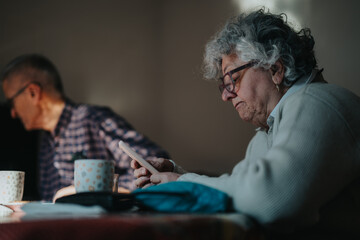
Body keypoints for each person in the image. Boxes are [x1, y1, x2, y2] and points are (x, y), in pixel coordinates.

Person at [131, 9, 360, 237]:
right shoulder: (265, 132)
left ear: (275, 69)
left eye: (233, 78)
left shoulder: (319, 103)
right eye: (224, 84)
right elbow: (243, 191)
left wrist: (184, 184)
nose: (226, 95)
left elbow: (270, 199)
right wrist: (177, 175)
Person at [1, 54, 169, 201]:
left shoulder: (91, 118)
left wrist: (93, 191)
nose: (13, 113)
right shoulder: (45, 138)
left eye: (11, 102)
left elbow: (155, 165)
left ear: (33, 92)